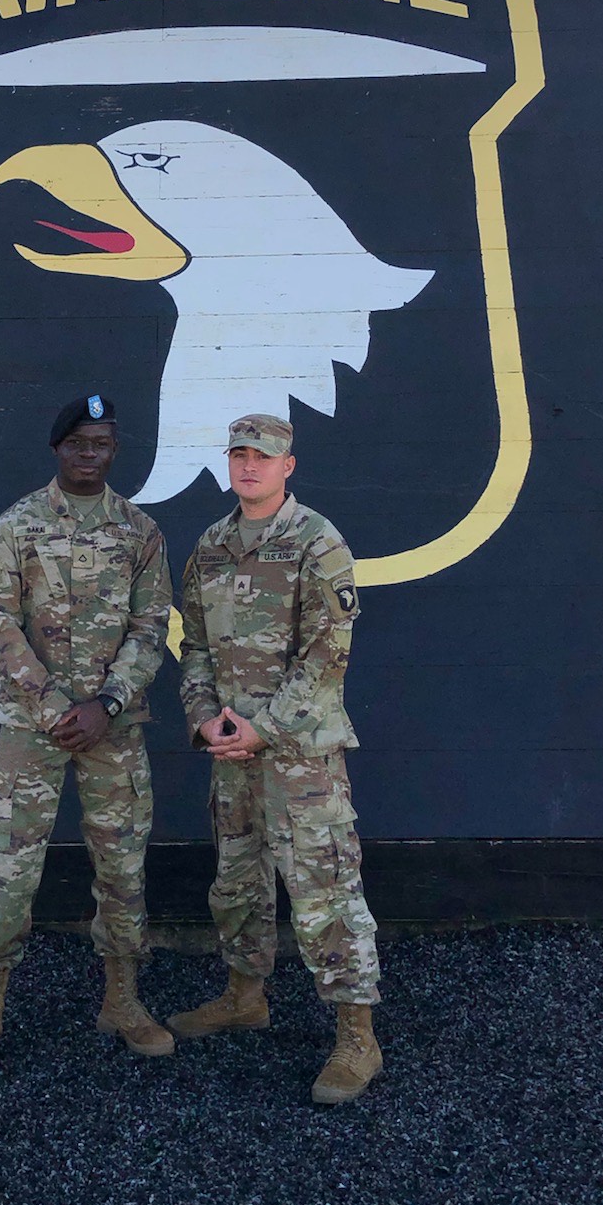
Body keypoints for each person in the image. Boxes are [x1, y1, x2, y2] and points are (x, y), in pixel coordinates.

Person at [0, 395, 174, 1072]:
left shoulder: (140, 531)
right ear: (57, 448)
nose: (87, 453)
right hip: (30, 727)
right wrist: (51, 706)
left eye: (99, 443)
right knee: (12, 871)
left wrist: (107, 701)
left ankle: (123, 1000)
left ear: (113, 451)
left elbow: (151, 626)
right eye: (77, 441)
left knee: (123, 869)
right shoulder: (17, 524)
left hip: (114, 727)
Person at [170, 413, 382, 1104]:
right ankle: (244, 995)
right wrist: (204, 719)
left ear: (289, 465)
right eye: (239, 454)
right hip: (231, 751)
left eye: (264, 456)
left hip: (300, 755)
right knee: (237, 883)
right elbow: (195, 646)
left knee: (324, 893)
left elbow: (328, 655)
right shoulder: (211, 546)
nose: (249, 466)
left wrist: (265, 726)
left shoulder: (317, 542)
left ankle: (357, 1037)